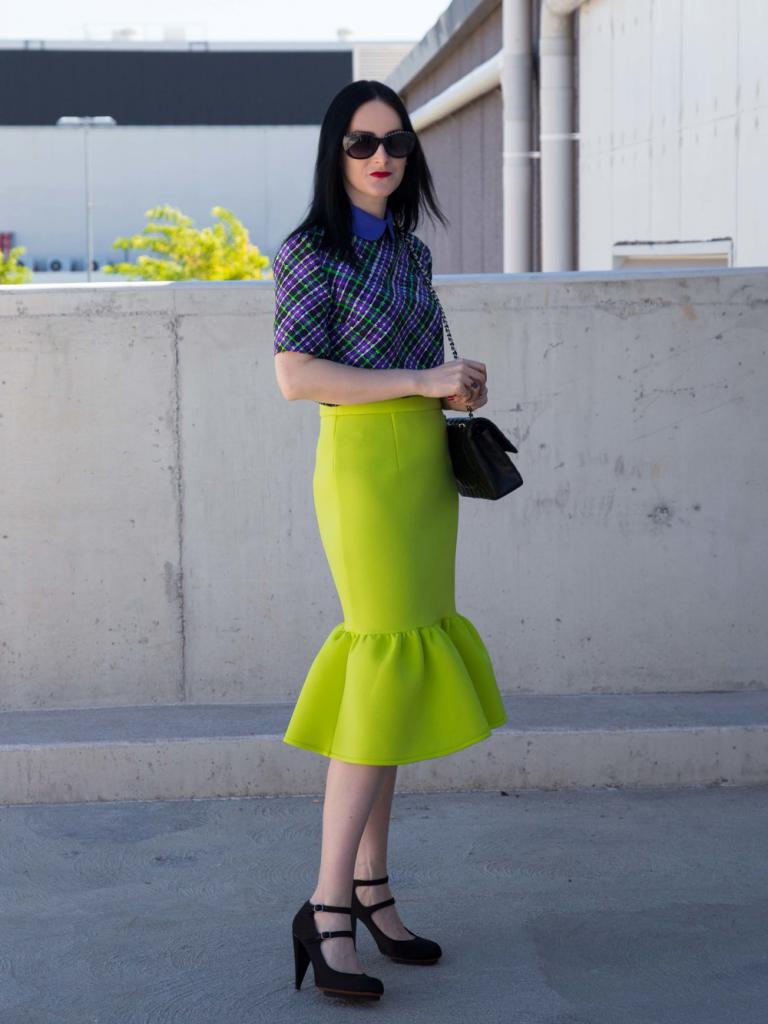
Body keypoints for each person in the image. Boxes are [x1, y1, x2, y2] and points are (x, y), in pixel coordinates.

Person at [272, 79, 508, 1002]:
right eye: (363, 142)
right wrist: (420, 377)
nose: (382, 157)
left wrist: (456, 388)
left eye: (397, 144)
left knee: (402, 672)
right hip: (364, 474)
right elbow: (296, 376)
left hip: (423, 474)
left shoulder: (410, 254)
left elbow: (413, 373)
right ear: (336, 153)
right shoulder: (308, 251)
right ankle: (329, 904)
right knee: (380, 664)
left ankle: (372, 889)